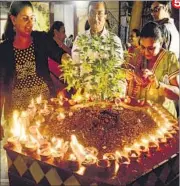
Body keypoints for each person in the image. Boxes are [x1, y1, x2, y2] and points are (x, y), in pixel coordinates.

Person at [0, 1, 66, 138]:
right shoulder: (4, 50)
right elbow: (2, 87)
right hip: (17, 114)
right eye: (25, 18)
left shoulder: (41, 39)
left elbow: (57, 53)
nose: (30, 22)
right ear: (13, 19)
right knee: (21, 154)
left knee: (46, 151)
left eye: (32, 18)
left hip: (44, 109)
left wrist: (66, 58)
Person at [126, 22, 179, 117]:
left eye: (151, 48)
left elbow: (177, 93)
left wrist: (159, 86)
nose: (146, 52)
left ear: (161, 42)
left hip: (162, 117)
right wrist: (126, 75)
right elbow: (122, 75)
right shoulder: (136, 53)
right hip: (139, 115)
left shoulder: (169, 58)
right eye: (143, 47)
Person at [47, 21, 71, 93]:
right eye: (63, 32)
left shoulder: (55, 46)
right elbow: (70, 54)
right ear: (55, 32)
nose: (65, 36)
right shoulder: (52, 48)